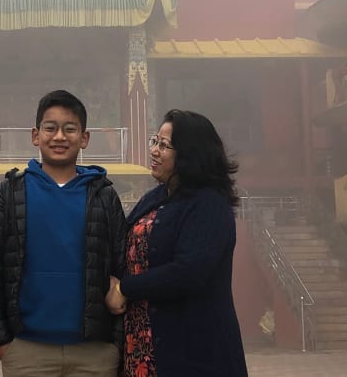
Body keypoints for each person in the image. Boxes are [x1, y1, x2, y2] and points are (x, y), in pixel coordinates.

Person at [0, 89, 126, 377]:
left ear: (84, 138)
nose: (60, 137)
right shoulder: (10, 193)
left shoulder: (104, 196)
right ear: (36, 135)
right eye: (51, 128)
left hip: (94, 353)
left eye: (70, 129)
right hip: (27, 350)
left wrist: (115, 345)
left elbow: (123, 266)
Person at [106, 109, 248, 376]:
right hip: (142, 346)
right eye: (154, 141)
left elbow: (189, 272)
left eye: (164, 145)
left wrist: (125, 287)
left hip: (192, 352)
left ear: (189, 154)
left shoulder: (209, 204)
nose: (154, 151)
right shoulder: (155, 196)